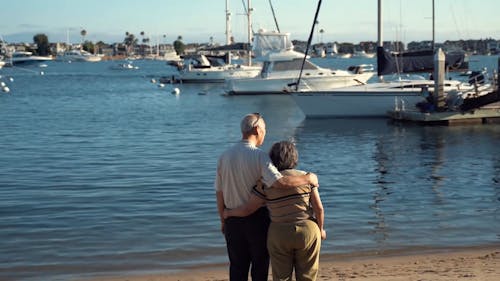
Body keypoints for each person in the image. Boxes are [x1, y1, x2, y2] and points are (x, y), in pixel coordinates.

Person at [215, 113, 319, 281]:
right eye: (264, 130)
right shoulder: (260, 156)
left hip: (232, 219)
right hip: (258, 220)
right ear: (257, 129)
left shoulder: (224, 156)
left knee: (237, 268)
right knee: (259, 268)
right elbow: (279, 183)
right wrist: (308, 178)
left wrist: (223, 219)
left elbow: (219, 193)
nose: (265, 134)